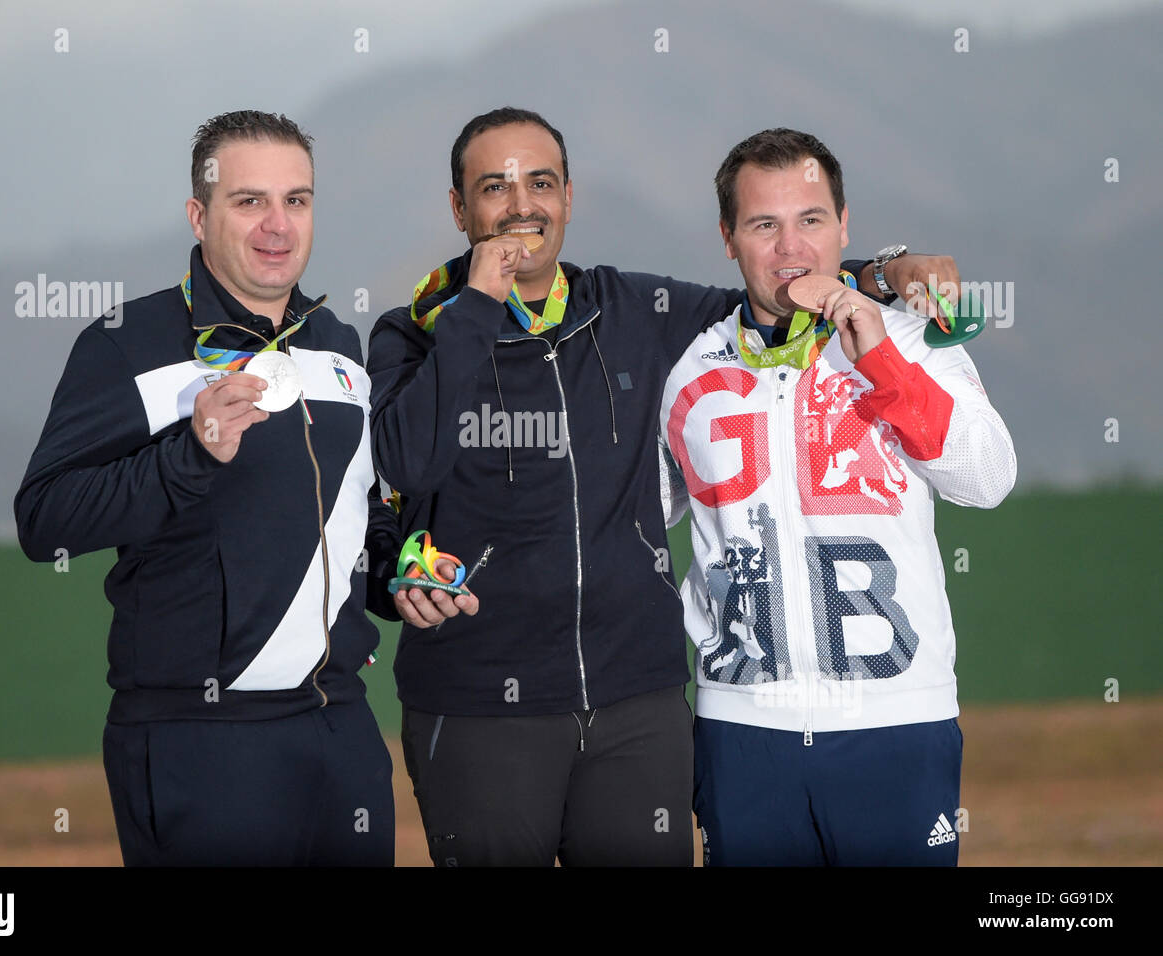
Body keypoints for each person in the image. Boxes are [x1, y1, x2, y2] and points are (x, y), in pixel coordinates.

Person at [366, 106, 954, 866]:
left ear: (569, 198)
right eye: (495, 188)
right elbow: (402, 465)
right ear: (459, 208)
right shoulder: (409, 334)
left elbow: (777, 288)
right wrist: (476, 307)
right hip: (481, 704)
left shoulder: (638, 310)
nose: (521, 206)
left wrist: (882, 273)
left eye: (541, 184)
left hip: (636, 706)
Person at [14, 110, 476, 867]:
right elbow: (44, 521)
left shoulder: (339, 348)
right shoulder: (125, 343)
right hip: (200, 740)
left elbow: (350, 521)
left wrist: (399, 576)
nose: (277, 225)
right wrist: (187, 457)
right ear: (200, 216)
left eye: (296, 200)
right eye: (249, 201)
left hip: (340, 730)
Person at [659, 128, 1016, 866]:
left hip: (896, 721)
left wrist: (880, 357)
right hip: (740, 730)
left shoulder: (913, 339)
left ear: (846, 225)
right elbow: (630, 512)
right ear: (727, 237)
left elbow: (987, 479)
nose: (792, 249)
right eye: (764, 224)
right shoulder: (689, 364)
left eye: (812, 220)